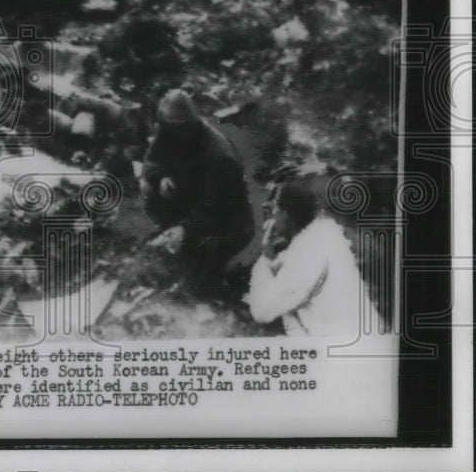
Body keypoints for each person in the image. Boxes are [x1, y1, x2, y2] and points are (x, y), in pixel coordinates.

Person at [140, 89, 254, 280]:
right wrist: (160, 177)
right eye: (169, 124)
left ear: (190, 123)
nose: (175, 131)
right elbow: (153, 161)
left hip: (227, 221)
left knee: (195, 277)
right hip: (193, 203)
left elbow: (217, 207)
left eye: (180, 126)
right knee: (148, 188)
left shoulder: (220, 155)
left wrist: (186, 229)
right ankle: (173, 236)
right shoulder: (170, 132)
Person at [246, 180, 381, 337]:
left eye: (275, 208)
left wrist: (266, 257)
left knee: (280, 321)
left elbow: (262, 312)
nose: (273, 214)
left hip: (344, 349)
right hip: (355, 339)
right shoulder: (322, 238)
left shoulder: (306, 256)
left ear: (286, 214)